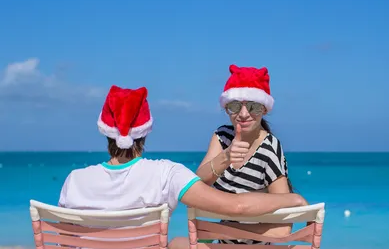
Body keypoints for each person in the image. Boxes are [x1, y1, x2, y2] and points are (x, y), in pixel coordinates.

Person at [57, 85, 307, 226]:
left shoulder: (74, 181)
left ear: (105, 131)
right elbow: (238, 206)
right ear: (146, 130)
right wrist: (293, 199)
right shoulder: (165, 174)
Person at [169, 64, 293, 249]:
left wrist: (227, 230)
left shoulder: (269, 148)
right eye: (235, 106)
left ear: (265, 109)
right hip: (222, 244)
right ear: (226, 108)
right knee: (174, 243)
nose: (243, 114)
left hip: (255, 248)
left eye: (253, 106)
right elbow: (196, 185)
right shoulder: (222, 136)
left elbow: (283, 224)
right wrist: (225, 157)